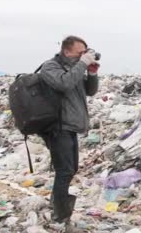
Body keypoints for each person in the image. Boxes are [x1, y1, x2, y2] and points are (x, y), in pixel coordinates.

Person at [39, 35, 99, 229]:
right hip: (57, 126)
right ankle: (60, 216)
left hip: (70, 126)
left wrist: (91, 73)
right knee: (64, 171)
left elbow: (90, 91)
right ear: (66, 51)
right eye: (80, 52)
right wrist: (82, 64)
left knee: (70, 169)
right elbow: (64, 84)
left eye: (85, 52)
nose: (83, 56)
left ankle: (56, 207)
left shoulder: (75, 68)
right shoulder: (51, 67)